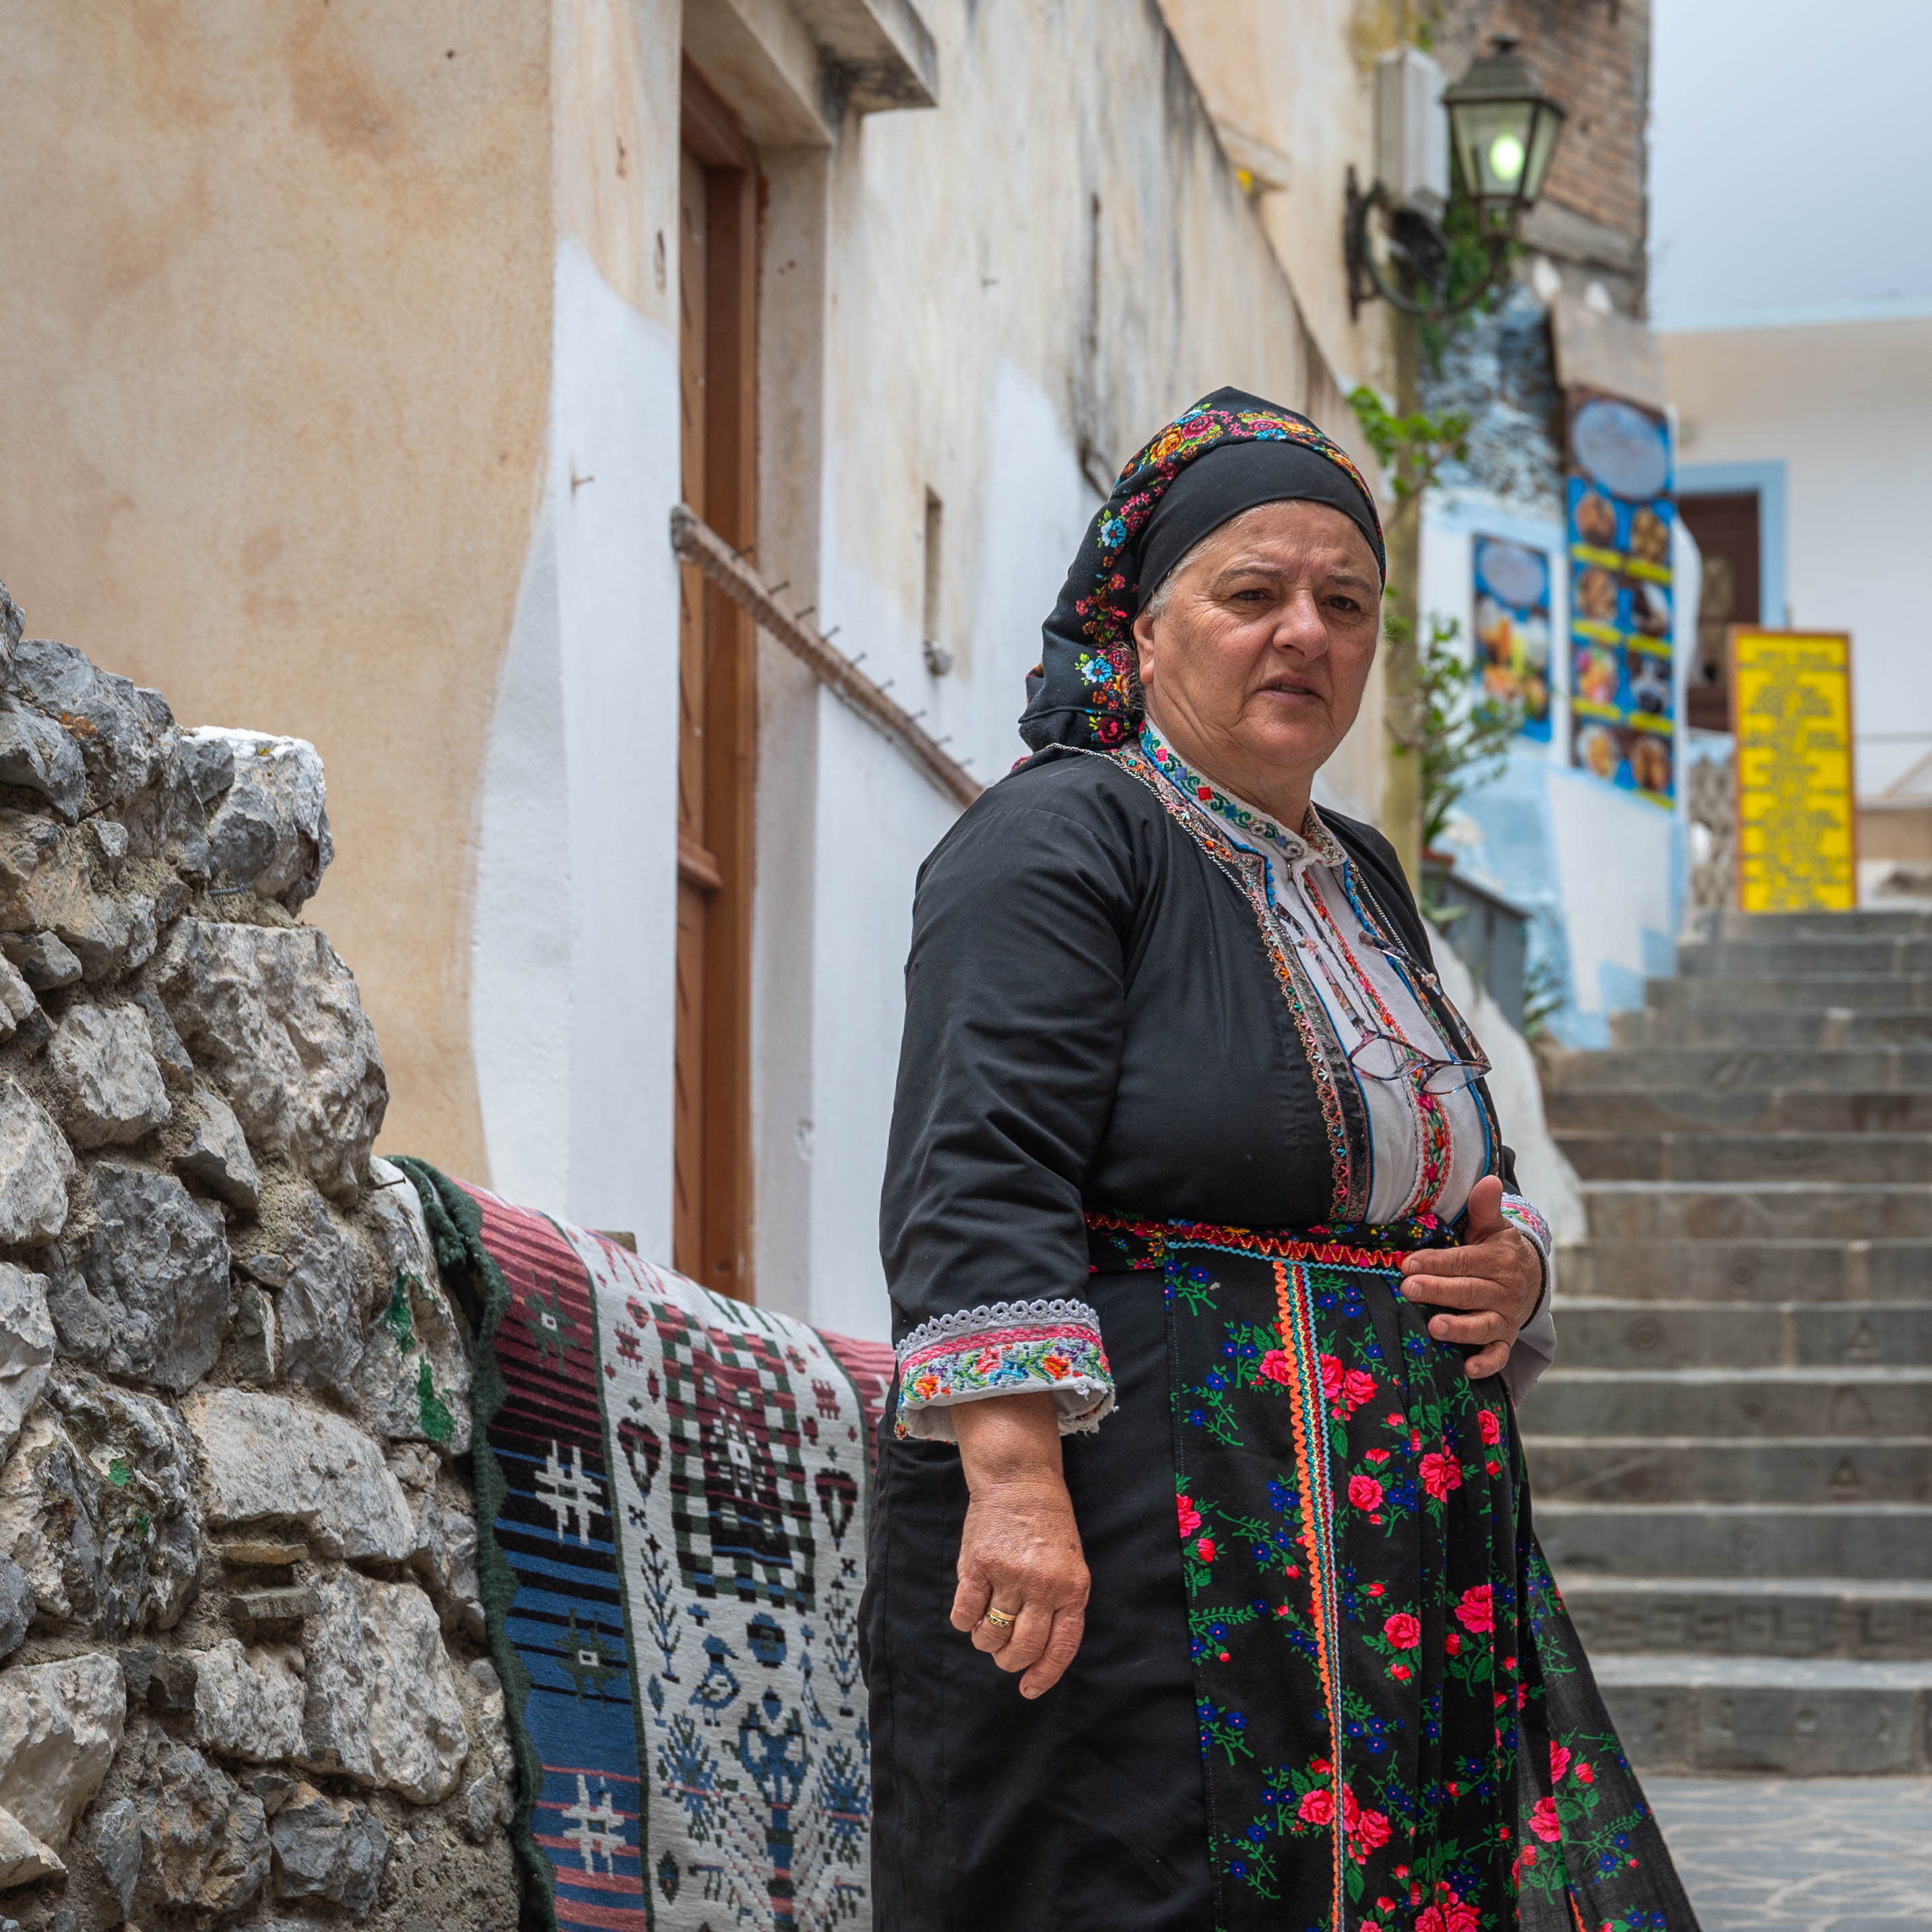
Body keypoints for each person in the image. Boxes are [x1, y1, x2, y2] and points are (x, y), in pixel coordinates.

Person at [862, 390, 1698, 1932]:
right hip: (1154, 1526)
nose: (1303, 633)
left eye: (1344, 604)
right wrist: (1015, 1484)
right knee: (1141, 1882)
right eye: (1252, 594)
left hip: (1393, 1544)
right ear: (1142, 629)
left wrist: (1513, 1267)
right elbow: (978, 1163)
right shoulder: (1062, 839)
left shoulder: (1357, 870)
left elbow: (1437, 1161)